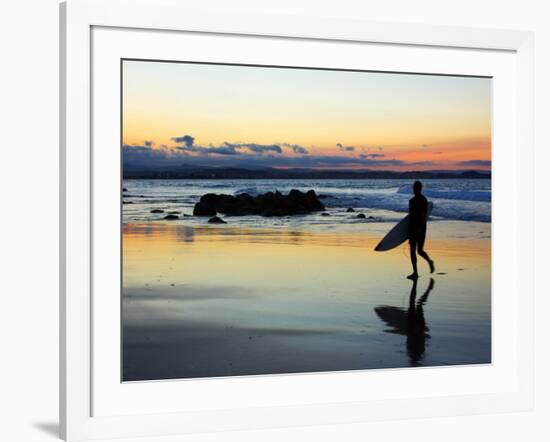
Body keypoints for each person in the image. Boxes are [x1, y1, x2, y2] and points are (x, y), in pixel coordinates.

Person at [407, 181, 435, 280]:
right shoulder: (411, 201)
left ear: (420, 189)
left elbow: (424, 216)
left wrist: (419, 228)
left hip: (420, 227)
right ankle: (415, 272)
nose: (415, 190)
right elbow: (410, 216)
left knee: (419, 250)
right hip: (412, 228)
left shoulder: (423, 200)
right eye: (414, 188)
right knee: (413, 251)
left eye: (417, 188)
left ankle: (429, 262)